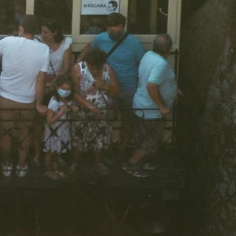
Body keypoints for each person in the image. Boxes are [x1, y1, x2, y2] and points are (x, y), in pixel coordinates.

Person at [0, 15, 50, 178]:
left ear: (21, 29)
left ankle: (6, 165)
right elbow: (40, 80)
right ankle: (21, 165)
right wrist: (39, 104)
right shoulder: (44, 49)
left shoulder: (7, 41)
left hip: (5, 96)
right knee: (25, 132)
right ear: (37, 32)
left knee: (5, 131)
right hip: (28, 99)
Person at [77, 13, 145, 151]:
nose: (115, 34)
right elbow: (88, 49)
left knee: (128, 120)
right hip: (106, 88)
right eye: (111, 31)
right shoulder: (101, 38)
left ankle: (122, 148)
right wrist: (78, 64)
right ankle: (104, 148)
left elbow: (143, 64)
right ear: (106, 27)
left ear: (123, 27)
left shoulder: (134, 43)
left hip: (128, 88)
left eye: (118, 31)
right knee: (104, 119)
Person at [123, 34, 180, 178]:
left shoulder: (148, 55)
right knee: (153, 140)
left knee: (143, 137)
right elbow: (151, 85)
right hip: (150, 109)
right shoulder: (161, 63)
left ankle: (145, 160)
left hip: (141, 104)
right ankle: (131, 164)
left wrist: (173, 88)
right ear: (168, 50)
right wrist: (163, 106)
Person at [71, 48, 121, 175]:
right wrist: (87, 105)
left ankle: (99, 162)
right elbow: (73, 93)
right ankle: (76, 162)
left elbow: (116, 92)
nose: (94, 70)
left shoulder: (107, 69)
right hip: (82, 109)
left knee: (101, 137)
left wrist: (106, 86)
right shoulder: (78, 69)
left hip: (102, 112)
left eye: (97, 67)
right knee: (79, 136)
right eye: (91, 67)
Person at [44, 74, 75, 180]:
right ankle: (49, 170)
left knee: (57, 151)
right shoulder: (54, 102)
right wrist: (60, 112)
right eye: (63, 89)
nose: (66, 91)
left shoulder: (68, 100)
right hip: (54, 130)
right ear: (57, 88)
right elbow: (49, 121)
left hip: (63, 130)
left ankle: (55, 169)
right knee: (51, 151)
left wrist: (72, 109)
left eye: (68, 89)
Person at [36, 18, 73, 105]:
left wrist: (54, 82)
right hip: (40, 78)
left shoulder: (65, 43)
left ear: (55, 32)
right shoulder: (37, 41)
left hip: (58, 78)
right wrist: (42, 83)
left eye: (46, 32)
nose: (42, 34)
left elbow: (66, 67)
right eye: (41, 31)